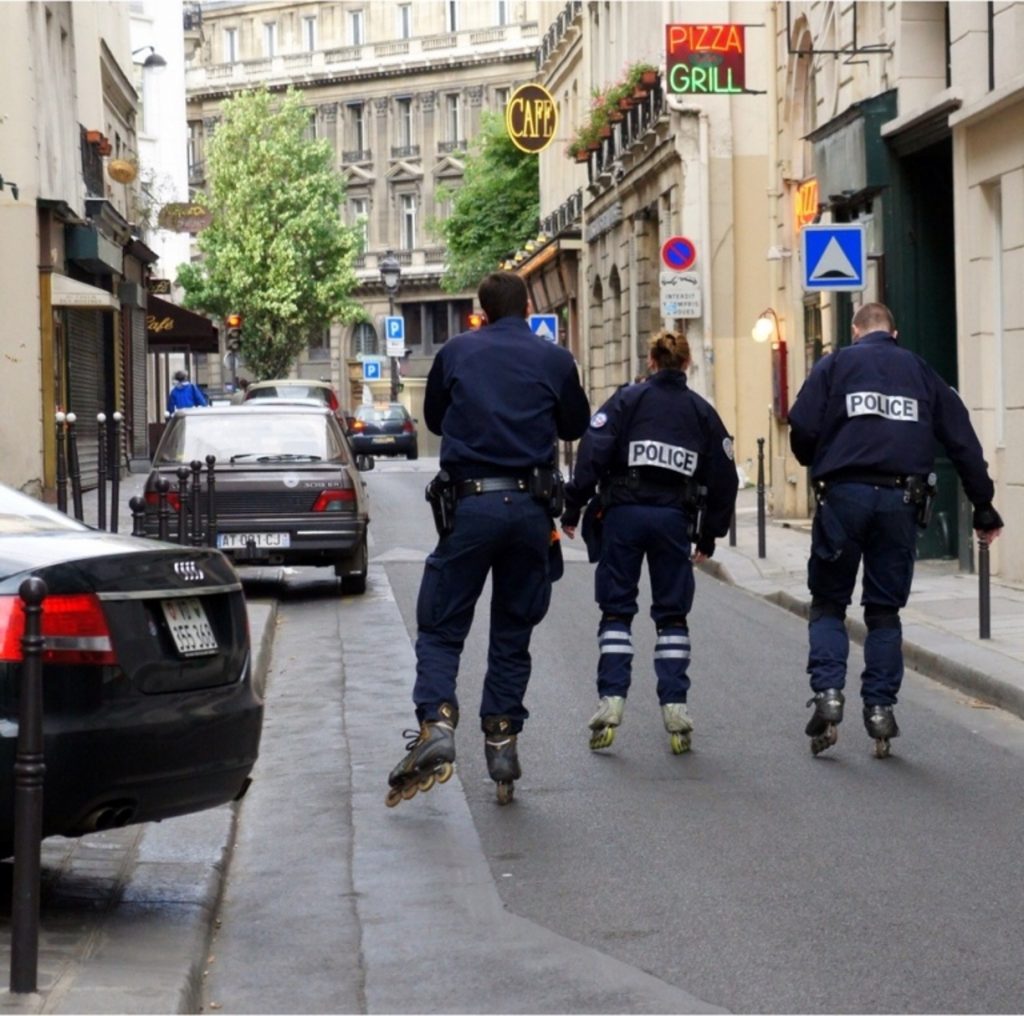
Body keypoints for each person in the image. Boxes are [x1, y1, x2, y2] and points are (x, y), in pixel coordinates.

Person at [386, 271, 591, 808]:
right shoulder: (555, 359)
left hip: (471, 505)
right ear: (528, 306)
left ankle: (437, 722)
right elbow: (575, 426)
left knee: (441, 622)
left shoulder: (456, 353)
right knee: (513, 629)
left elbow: (432, 417)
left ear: (481, 309)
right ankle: (502, 740)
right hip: (528, 509)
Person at [788, 302, 1004, 758]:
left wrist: (820, 456)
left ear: (855, 330)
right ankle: (880, 708)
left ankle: (829, 694)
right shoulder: (921, 371)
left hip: (843, 497)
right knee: (883, 611)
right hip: (900, 502)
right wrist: (983, 505)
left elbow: (802, 426)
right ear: (894, 333)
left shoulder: (835, 365)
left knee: (828, 602)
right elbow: (962, 438)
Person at [560, 330, 738, 755]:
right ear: (686, 365)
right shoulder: (701, 412)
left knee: (617, 611)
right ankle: (675, 707)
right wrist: (710, 532)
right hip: (674, 520)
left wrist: (572, 507)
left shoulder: (628, 400)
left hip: (623, 516)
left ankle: (612, 699)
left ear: (652, 362)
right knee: (672, 615)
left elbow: (593, 450)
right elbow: (724, 475)